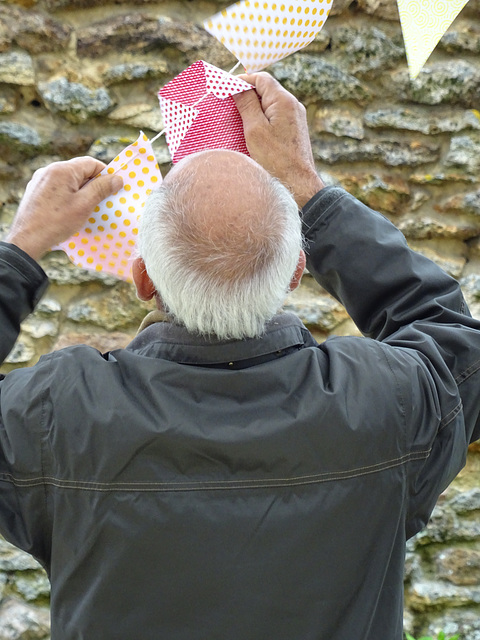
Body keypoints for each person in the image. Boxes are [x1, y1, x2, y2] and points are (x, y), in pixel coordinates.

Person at [0, 72, 479, 640]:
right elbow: (453, 337)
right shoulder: (386, 402)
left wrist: (23, 247)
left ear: (142, 279)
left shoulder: (55, 415)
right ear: (298, 269)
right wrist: (310, 191)